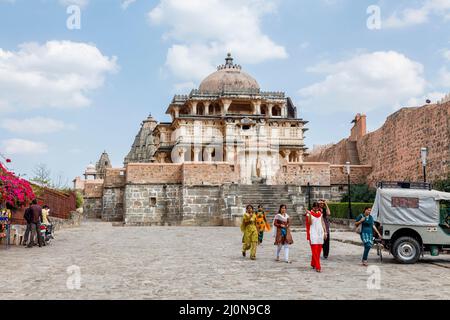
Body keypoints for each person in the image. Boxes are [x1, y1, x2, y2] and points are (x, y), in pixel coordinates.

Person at [306, 202, 327, 272]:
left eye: (317, 207)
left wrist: (325, 232)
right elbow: (309, 223)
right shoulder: (309, 214)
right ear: (312, 207)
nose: (316, 208)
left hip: (320, 233)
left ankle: (313, 263)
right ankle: (318, 266)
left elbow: (323, 223)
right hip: (313, 233)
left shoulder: (320, 214)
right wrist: (309, 214)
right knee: (314, 250)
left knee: (318, 251)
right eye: (315, 207)